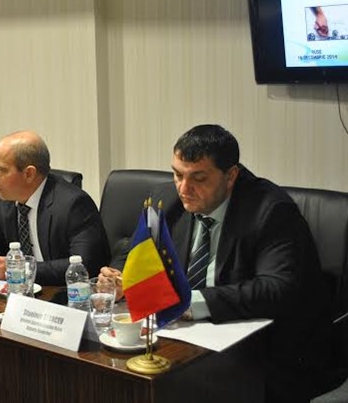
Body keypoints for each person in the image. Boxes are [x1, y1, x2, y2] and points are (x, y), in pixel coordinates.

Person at [99, 124, 331, 402]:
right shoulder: (166, 199)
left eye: (198, 178)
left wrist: (189, 303)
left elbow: (276, 288)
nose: (184, 188)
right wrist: (119, 277)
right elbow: (132, 252)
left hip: (264, 353)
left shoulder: (270, 210)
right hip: (181, 342)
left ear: (231, 176)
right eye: (177, 174)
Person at [0, 131, 110, 286]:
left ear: (29, 174)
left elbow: (86, 264)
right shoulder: (6, 199)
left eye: (1, 169)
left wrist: (21, 269)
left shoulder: (73, 204)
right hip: (21, 293)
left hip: (62, 293)